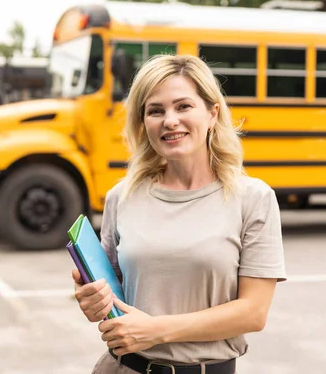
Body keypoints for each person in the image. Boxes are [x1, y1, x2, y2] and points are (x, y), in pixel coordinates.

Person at [72, 54, 287, 374]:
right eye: (155, 111)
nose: (169, 120)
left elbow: (253, 313)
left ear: (212, 113)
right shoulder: (123, 196)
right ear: (143, 123)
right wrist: (91, 300)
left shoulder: (253, 198)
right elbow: (111, 297)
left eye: (183, 106)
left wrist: (156, 330)